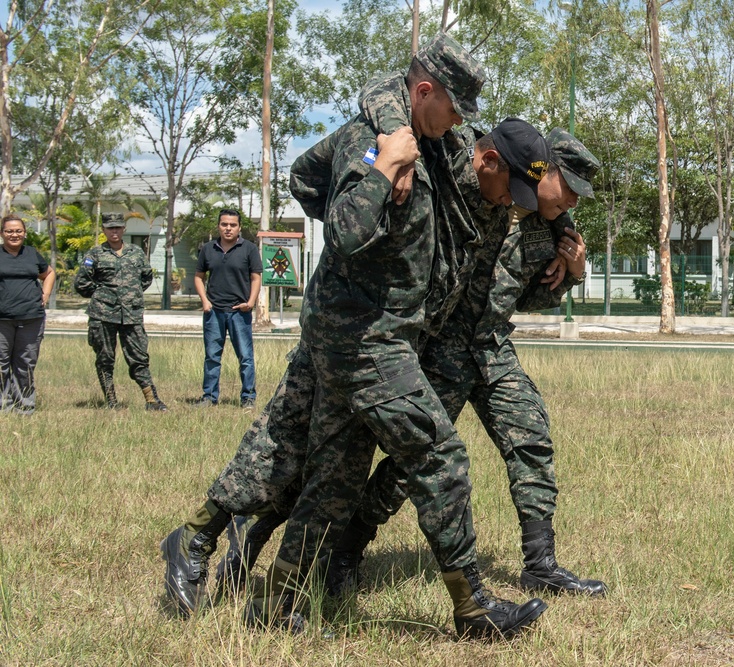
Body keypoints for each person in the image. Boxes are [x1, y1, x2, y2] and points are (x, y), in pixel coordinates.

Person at [160, 33, 549, 640]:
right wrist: (379, 167)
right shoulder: (374, 141)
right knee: (438, 454)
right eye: (453, 108)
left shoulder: (438, 143)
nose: (461, 124)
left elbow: (315, 170)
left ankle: (255, 588)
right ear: (425, 92)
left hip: (376, 329)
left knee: (326, 471)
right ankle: (473, 608)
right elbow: (339, 227)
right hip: (361, 333)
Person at [312, 128, 606, 598]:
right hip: (442, 348)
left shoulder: (553, 228)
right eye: (567, 188)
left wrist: (570, 276)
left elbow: (523, 295)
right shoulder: (478, 192)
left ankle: (540, 563)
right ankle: (345, 552)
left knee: (531, 439)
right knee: (413, 461)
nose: (571, 202)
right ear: (545, 170)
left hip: (491, 348)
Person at [74, 213, 167, 411]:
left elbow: (146, 278)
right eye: (110, 228)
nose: (114, 231)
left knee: (139, 357)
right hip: (103, 315)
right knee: (105, 359)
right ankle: (111, 401)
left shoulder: (136, 252)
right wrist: (103, 294)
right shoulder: (95, 254)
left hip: (131, 315)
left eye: (117, 227)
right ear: (104, 230)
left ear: (124, 229)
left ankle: (152, 400)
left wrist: (129, 295)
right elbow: (81, 283)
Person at [194, 209, 262, 408]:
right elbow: (199, 277)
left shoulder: (249, 249)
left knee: (246, 357)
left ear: (239, 227)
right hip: (214, 312)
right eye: (224, 224)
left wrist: (250, 303)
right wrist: (205, 301)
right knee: (212, 357)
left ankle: (248, 397)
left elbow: (256, 277)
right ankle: (209, 397)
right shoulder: (208, 249)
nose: (228, 228)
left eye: (232, 225)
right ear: (219, 226)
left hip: (239, 312)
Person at [0, 214, 55, 414]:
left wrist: (46, 294)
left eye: (18, 231)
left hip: (31, 317)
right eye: (9, 231)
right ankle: (3, 407)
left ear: (24, 233)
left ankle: (24, 407)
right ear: (2, 233)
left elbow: (48, 273)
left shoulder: (31, 253)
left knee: (25, 363)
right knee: (1, 364)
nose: (14, 234)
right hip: (2, 320)